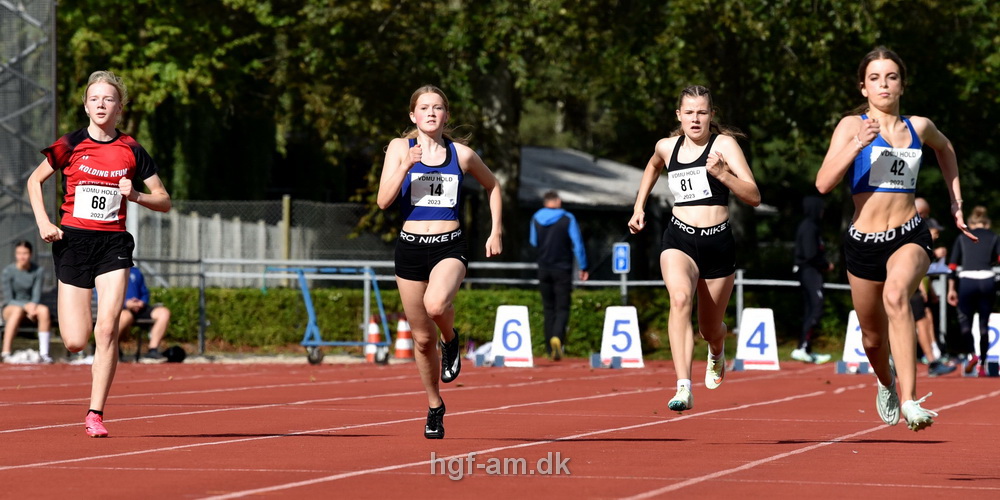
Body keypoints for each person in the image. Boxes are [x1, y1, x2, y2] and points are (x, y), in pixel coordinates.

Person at [815, 47, 975, 431]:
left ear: (902, 84)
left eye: (891, 77)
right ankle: (886, 381)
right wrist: (857, 144)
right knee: (872, 337)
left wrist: (956, 202)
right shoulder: (851, 126)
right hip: (863, 244)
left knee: (897, 296)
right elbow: (822, 183)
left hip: (909, 235)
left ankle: (910, 400)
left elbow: (946, 148)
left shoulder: (918, 127)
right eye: (875, 78)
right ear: (864, 87)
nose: (884, 84)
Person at [26, 71, 171, 437]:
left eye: (108, 99)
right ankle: (86, 354)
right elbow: (34, 180)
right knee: (76, 341)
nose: (101, 105)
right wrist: (45, 222)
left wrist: (135, 194)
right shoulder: (70, 143)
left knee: (106, 329)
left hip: (113, 244)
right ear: (86, 105)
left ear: (119, 108)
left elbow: (164, 200)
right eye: (95, 99)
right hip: (73, 242)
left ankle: (95, 413)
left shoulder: (132, 149)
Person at [376, 85, 503, 439]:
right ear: (413, 116)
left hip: (450, 245)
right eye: (424, 108)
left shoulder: (460, 154)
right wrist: (405, 165)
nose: (431, 113)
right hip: (410, 247)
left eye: (438, 108)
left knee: (436, 306)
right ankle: (435, 406)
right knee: (419, 339)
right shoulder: (400, 149)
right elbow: (383, 201)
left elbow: (494, 186)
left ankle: (450, 339)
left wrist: (495, 232)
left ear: (446, 116)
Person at [628, 85, 760, 412]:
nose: (695, 119)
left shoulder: (724, 146)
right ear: (679, 115)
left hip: (718, 243)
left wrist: (722, 174)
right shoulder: (666, 146)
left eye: (702, 112)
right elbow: (652, 166)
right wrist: (638, 206)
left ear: (711, 115)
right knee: (680, 298)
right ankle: (683, 386)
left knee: (708, 328)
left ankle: (717, 347)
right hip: (679, 239)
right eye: (689, 112)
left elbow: (754, 195)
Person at [529, 190, 589, 360]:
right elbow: (577, 244)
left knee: (548, 308)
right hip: (562, 268)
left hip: (543, 268)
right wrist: (583, 266)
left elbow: (533, 241)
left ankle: (549, 348)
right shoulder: (568, 218)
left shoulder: (535, 218)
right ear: (555, 201)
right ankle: (557, 337)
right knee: (562, 307)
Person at [947, 206, 1000, 377]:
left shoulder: (963, 237)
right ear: (987, 222)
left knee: (965, 322)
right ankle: (982, 365)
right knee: (983, 325)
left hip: (967, 281)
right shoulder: (994, 237)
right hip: (987, 280)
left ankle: (972, 354)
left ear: (970, 222)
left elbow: (952, 266)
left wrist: (951, 289)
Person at [791, 195, 834, 364]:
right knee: (816, 306)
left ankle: (806, 348)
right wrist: (825, 264)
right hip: (809, 271)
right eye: (821, 209)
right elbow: (810, 254)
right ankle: (802, 347)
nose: (823, 212)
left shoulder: (812, 226)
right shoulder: (809, 227)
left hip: (810, 271)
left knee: (811, 309)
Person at [2, 241, 53, 363]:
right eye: (19, 253)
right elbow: (9, 299)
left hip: (31, 307)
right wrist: (25, 306)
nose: (22, 256)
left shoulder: (38, 271)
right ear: (15, 255)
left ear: (30, 254)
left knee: (44, 310)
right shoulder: (8, 271)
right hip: (11, 308)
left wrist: (32, 306)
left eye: (25, 253)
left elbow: (36, 295)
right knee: (17, 310)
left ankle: (44, 354)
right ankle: (6, 352)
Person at [118, 266, 171, 360]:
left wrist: (141, 302)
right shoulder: (109, 271)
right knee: (125, 317)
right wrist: (126, 303)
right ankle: (113, 348)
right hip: (121, 308)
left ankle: (153, 350)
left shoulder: (136, 271)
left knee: (164, 313)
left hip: (140, 308)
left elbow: (145, 293)